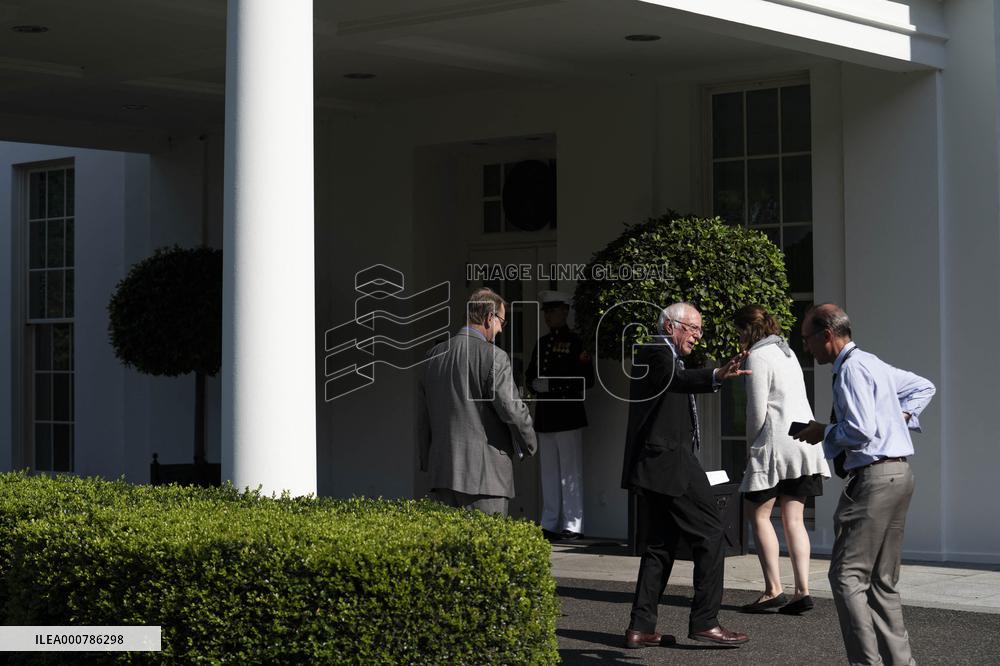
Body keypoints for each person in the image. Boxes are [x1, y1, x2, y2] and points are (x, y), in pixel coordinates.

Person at [793, 304, 935, 666]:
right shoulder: (872, 363)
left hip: (873, 480)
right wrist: (899, 416)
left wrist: (821, 431)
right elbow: (924, 386)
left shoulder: (852, 369)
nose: (806, 346)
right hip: (900, 474)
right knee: (883, 581)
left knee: (847, 576)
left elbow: (859, 430)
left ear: (827, 334)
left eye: (807, 338)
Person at [622, 302, 751, 649]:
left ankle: (640, 627)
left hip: (659, 463)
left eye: (699, 329)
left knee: (659, 547)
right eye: (692, 328)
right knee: (711, 531)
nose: (698, 336)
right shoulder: (656, 351)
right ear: (670, 326)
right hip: (668, 462)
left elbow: (677, 382)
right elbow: (676, 380)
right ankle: (706, 621)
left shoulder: (665, 354)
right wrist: (715, 375)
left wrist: (711, 376)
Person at [733, 304, 830, 615]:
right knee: (795, 520)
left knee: (757, 514)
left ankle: (773, 590)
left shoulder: (758, 356)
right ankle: (802, 590)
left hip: (776, 445)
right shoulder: (788, 353)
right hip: (803, 442)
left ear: (746, 330)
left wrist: (750, 447)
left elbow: (756, 410)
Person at [417, 287, 538, 515]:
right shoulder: (494, 356)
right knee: (486, 547)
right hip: (485, 475)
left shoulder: (432, 356)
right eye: (502, 321)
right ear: (489, 318)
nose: (501, 328)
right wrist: (529, 442)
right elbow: (510, 409)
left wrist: (427, 457)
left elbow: (424, 417)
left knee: (449, 548)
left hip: (442, 471)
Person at [526, 290, 595, 541]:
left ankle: (573, 523)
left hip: (567, 413)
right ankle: (550, 521)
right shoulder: (542, 343)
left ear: (564, 312)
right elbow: (530, 373)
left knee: (570, 472)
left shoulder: (577, 343)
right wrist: (534, 384)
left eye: (552, 312)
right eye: (546, 312)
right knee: (549, 472)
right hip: (546, 414)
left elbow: (588, 380)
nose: (548, 317)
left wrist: (553, 386)